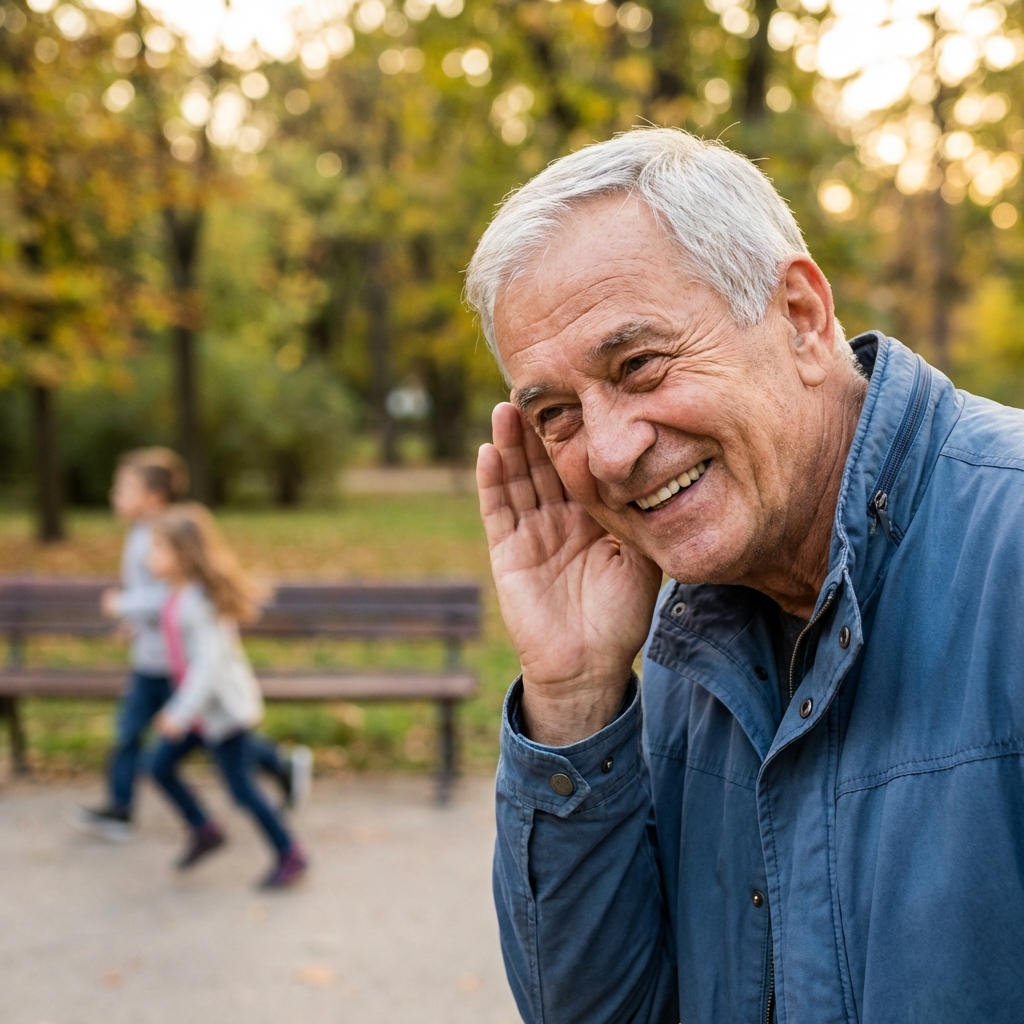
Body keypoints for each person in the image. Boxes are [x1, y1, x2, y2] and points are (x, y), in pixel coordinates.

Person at [465, 127, 1024, 1023]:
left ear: (801, 317)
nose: (609, 453)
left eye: (639, 365)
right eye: (558, 413)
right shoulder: (692, 630)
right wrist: (572, 696)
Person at [78, 449, 311, 843]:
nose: (114, 495)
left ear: (153, 496)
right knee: (152, 743)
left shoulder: (173, 558)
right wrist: (135, 624)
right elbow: (165, 607)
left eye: (124, 488)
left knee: (219, 756)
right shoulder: (152, 542)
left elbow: (175, 619)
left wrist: (123, 606)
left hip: (174, 671)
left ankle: (279, 830)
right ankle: (133, 809)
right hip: (160, 664)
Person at [147, 502, 308, 889]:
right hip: (201, 715)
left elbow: (207, 668)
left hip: (220, 715)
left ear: (183, 556)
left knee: (242, 791)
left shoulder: (200, 603)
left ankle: (291, 854)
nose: (150, 556)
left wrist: (180, 713)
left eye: (158, 548)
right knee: (157, 767)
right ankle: (205, 829)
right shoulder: (178, 594)